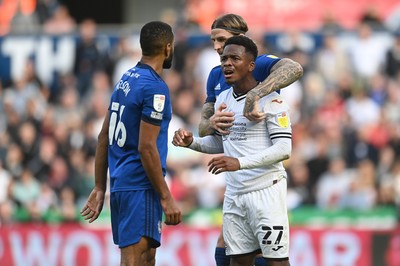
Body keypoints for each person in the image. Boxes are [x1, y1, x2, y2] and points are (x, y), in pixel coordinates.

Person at [174, 35, 292, 266]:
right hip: (234, 195)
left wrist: (239, 163)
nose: (227, 63)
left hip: (266, 193)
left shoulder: (271, 100)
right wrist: (192, 142)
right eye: (224, 58)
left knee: (276, 262)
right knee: (237, 262)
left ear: (251, 65)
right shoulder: (223, 100)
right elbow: (222, 144)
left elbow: (283, 149)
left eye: (234, 58)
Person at [197, 13, 302, 266]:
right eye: (213, 41)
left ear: (240, 39)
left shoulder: (261, 63)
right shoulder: (215, 75)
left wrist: (255, 95)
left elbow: (294, 68)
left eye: (221, 39)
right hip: (236, 185)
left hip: (263, 177)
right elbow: (203, 128)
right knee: (230, 251)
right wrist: (208, 124)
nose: (216, 47)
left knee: (264, 256)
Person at [80, 21, 182, 266]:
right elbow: (146, 147)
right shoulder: (155, 88)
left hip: (121, 184)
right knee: (134, 261)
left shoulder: (126, 79)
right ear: (168, 48)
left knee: (146, 257)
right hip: (140, 186)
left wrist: (99, 185)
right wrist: (166, 197)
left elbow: (104, 136)